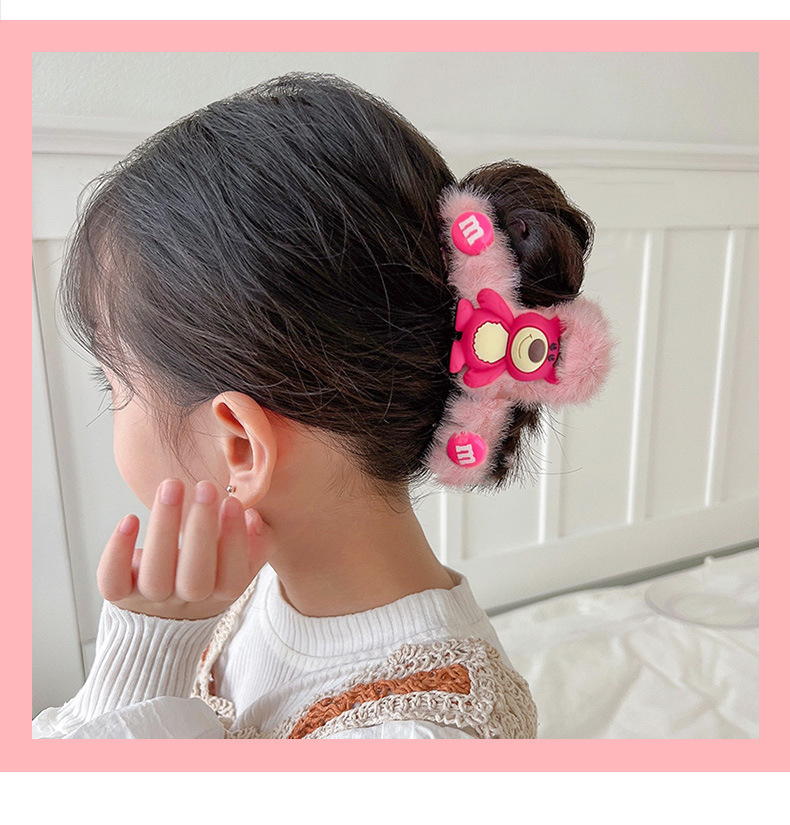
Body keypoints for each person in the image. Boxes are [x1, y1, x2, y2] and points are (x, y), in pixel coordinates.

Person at [33, 71, 611, 739]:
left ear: (240, 445)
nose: (112, 406)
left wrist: (139, 667)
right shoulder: (249, 583)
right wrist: (156, 645)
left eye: (114, 383)